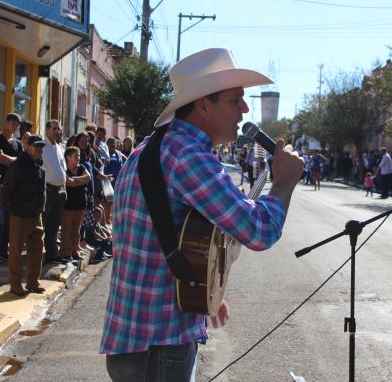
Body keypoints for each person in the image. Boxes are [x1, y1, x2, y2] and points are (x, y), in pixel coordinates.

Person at [100, 48, 304, 382]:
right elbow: (260, 230)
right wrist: (284, 182)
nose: (244, 108)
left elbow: (165, 236)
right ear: (203, 105)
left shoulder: (152, 147)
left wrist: (203, 289)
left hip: (139, 339)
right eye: (234, 100)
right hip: (160, 345)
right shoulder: (188, 157)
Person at [1, 135, 47, 297]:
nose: (39, 150)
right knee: (16, 251)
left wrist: (41, 208)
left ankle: (33, 281)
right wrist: (11, 207)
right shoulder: (17, 165)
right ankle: (15, 284)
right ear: (28, 147)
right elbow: (7, 189)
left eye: (41, 147)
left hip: (36, 214)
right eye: (36, 146)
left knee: (37, 249)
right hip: (20, 214)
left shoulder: (40, 166)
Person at [0, 113, 23, 264]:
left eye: (17, 124)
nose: (15, 126)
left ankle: (3, 250)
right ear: (6, 122)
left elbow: (21, 162)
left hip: (14, 187)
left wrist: (9, 160)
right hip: (0, 184)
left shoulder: (18, 144)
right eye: (13, 123)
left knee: (10, 220)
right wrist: (14, 161)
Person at [41, 120, 67, 264]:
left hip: (60, 192)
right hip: (47, 191)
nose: (57, 131)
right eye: (54, 128)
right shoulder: (42, 147)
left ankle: (51, 254)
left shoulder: (60, 147)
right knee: (42, 224)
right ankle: (37, 255)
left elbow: (62, 169)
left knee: (54, 225)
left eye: (59, 129)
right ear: (47, 130)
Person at [60, 146, 91, 264]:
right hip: (68, 204)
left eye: (78, 155)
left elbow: (88, 178)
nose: (78, 157)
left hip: (81, 203)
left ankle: (75, 250)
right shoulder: (64, 168)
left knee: (76, 229)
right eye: (75, 156)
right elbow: (68, 183)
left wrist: (75, 179)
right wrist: (80, 181)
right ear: (68, 157)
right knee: (66, 228)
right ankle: (65, 252)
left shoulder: (81, 167)